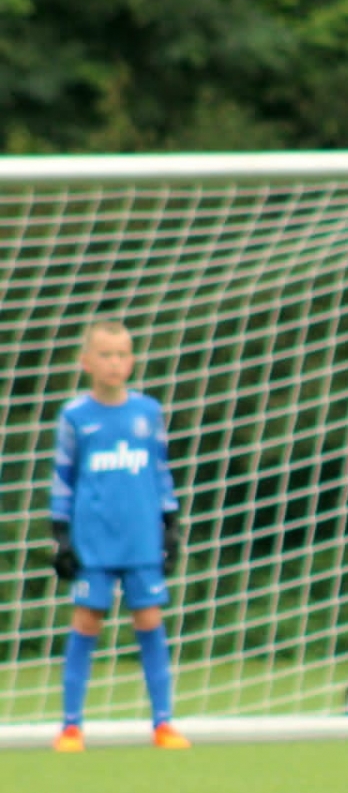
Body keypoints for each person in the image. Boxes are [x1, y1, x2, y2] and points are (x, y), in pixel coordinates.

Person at [48, 320, 189, 752]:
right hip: (92, 539)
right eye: (105, 354)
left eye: (122, 354)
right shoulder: (75, 416)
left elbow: (160, 471)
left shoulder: (148, 412)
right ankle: (71, 726)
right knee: (87, 620)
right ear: (86, 362)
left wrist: (170, 526)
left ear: (132, 360)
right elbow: (63, 477)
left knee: (149, 619)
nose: (115, 363)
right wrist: (60, 535)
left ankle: (162, 723)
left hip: (141, 537)